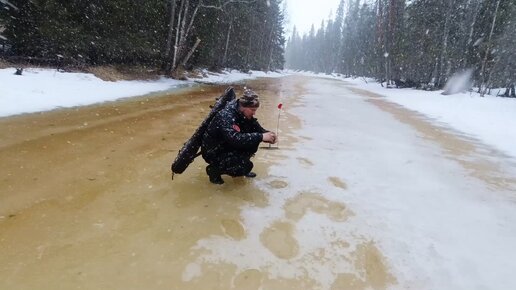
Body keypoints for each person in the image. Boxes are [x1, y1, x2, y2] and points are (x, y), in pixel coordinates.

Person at [201, 89, 277, 184]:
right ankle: (214, 170)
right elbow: (234, 138)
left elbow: (255, 127)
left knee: (250, 146)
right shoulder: (226, 115)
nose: (254, 113)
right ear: (243, 107)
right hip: (214, 151)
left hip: (226, 146)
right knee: (241, 167)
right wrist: (261, 136)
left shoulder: (242, 113)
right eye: (252, 110)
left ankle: (240, 164)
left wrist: (268, 134)